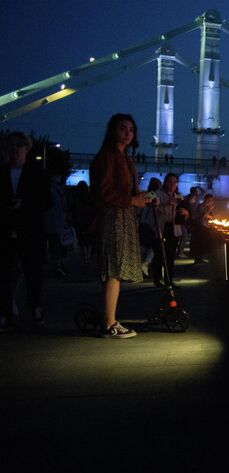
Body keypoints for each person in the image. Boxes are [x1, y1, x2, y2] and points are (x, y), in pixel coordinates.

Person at [89, 114, 150, 339]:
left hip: (123, 217)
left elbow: (125, 192)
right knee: (113, 269)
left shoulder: (125, 158)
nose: (128, 133)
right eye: (123, 128)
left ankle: (110, 319)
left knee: (116, 269)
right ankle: (109, 323)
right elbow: (102, 192)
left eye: (131, 129)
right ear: (112, 130)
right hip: (112, 217)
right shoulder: (107, 157)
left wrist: (141, 197)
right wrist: (132, 200)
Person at [0, 132, 52, 331]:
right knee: (4, 274)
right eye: (11, 148)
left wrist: (25, 204)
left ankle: (34, 306)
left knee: (33, 273)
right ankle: (6, 312)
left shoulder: (37, 174)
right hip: (6, 230)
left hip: (29, 230)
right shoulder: (2, 173)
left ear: (26, 149)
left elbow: (46, 202)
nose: (14, 152)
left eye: (17, 148)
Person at [152, 173, 188, 288]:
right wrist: (168, 203)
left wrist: (185, 213)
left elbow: (185, 213)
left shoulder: (179, 196)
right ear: (165, 182)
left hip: (174, 227)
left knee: (171, 255)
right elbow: (154, 209)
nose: (172, 184)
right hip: (161, 227)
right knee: (160, 253)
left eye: (175, 182)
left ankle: (169, 280)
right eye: (170, 182)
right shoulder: (158, 194)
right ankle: (157, 279)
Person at [138, 177, 162, 277]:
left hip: (142, 223)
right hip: (150, 224)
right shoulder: (155, 195)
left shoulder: (145, 195)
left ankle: (143, 267)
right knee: (153, 246)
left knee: (144, 246)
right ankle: (145, 264)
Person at [71, 180, 94, 266]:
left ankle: (85, 258)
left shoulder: (76, 198)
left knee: (82, 241)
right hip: (89, 222)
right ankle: (88, 257)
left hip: (80, 222)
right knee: (89, 240)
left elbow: (74, 212)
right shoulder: (89, 198)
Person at [191, 193, 214, 264]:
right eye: (209, 200)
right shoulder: (201, 206)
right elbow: (201, 218)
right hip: (201, 227)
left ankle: (200, 258)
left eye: (211, 200)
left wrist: (210, 215)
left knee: (203, 244)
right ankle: (197, 259)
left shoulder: (207, 207)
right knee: (200, 243)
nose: (210, 202)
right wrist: (209, 210)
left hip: (206, 226)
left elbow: (209, 216)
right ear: (205, 199)